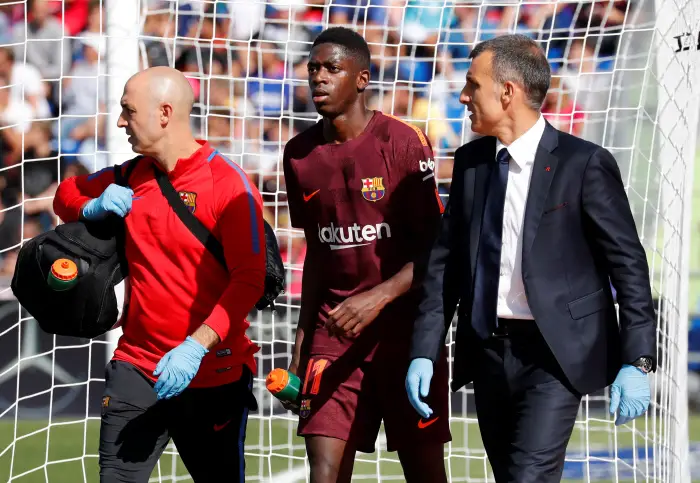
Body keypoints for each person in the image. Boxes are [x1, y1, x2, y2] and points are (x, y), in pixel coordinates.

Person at [405, 34, 656, 482]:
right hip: (487, 351)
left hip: (555, 356)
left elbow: (629, 265)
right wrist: (424, 350)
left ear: (507, 92)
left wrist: (636, 361)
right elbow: (444, 268)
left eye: (472, 85)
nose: (463, 96)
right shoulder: (469, 163)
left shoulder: (585, 163)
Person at [52, 66, 266, 483]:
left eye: (128, 111)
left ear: (164, 113)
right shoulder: (131, 175)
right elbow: (66, 194)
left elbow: (249, 281)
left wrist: (195, 347)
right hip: (135, 368)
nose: (119, 122)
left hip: (212, 373)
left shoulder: (230, 185)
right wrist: (88, 208)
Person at [282, 27, 451, 483]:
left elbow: (437, 251)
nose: (318, 77)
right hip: (333, 335)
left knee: (425, 472)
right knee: (325, 472)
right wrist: (300, 347)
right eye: (313, 68)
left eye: (332, 68)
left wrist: (377, 297)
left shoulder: (402, 142)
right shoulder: (298, 154)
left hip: (405, 335)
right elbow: (318, 252)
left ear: (361, 78)